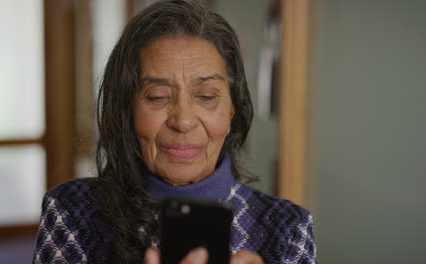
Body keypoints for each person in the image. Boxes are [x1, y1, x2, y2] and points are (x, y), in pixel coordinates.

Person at [33, 0, 317, 263]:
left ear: (233, 109)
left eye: (206, 96)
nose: (182, 121)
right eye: (157, 96)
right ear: (127, 110)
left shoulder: (287, 228)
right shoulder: (71, 211)